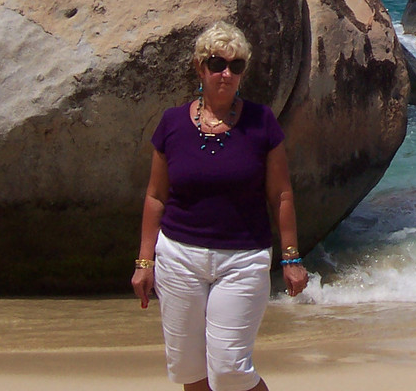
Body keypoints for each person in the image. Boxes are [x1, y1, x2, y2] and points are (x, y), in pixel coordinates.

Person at [132, 21, 308, 391]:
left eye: (236, 66)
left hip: (242, 260)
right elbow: (155, 196)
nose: (226, 74)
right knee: (188, 370)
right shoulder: (172, 123)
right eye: (216, 64)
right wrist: (145, 262)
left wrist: (291, 258)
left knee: (229, 369)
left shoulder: (262, 122)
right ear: (200, 68)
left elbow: (281, 195)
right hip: (179, 258)